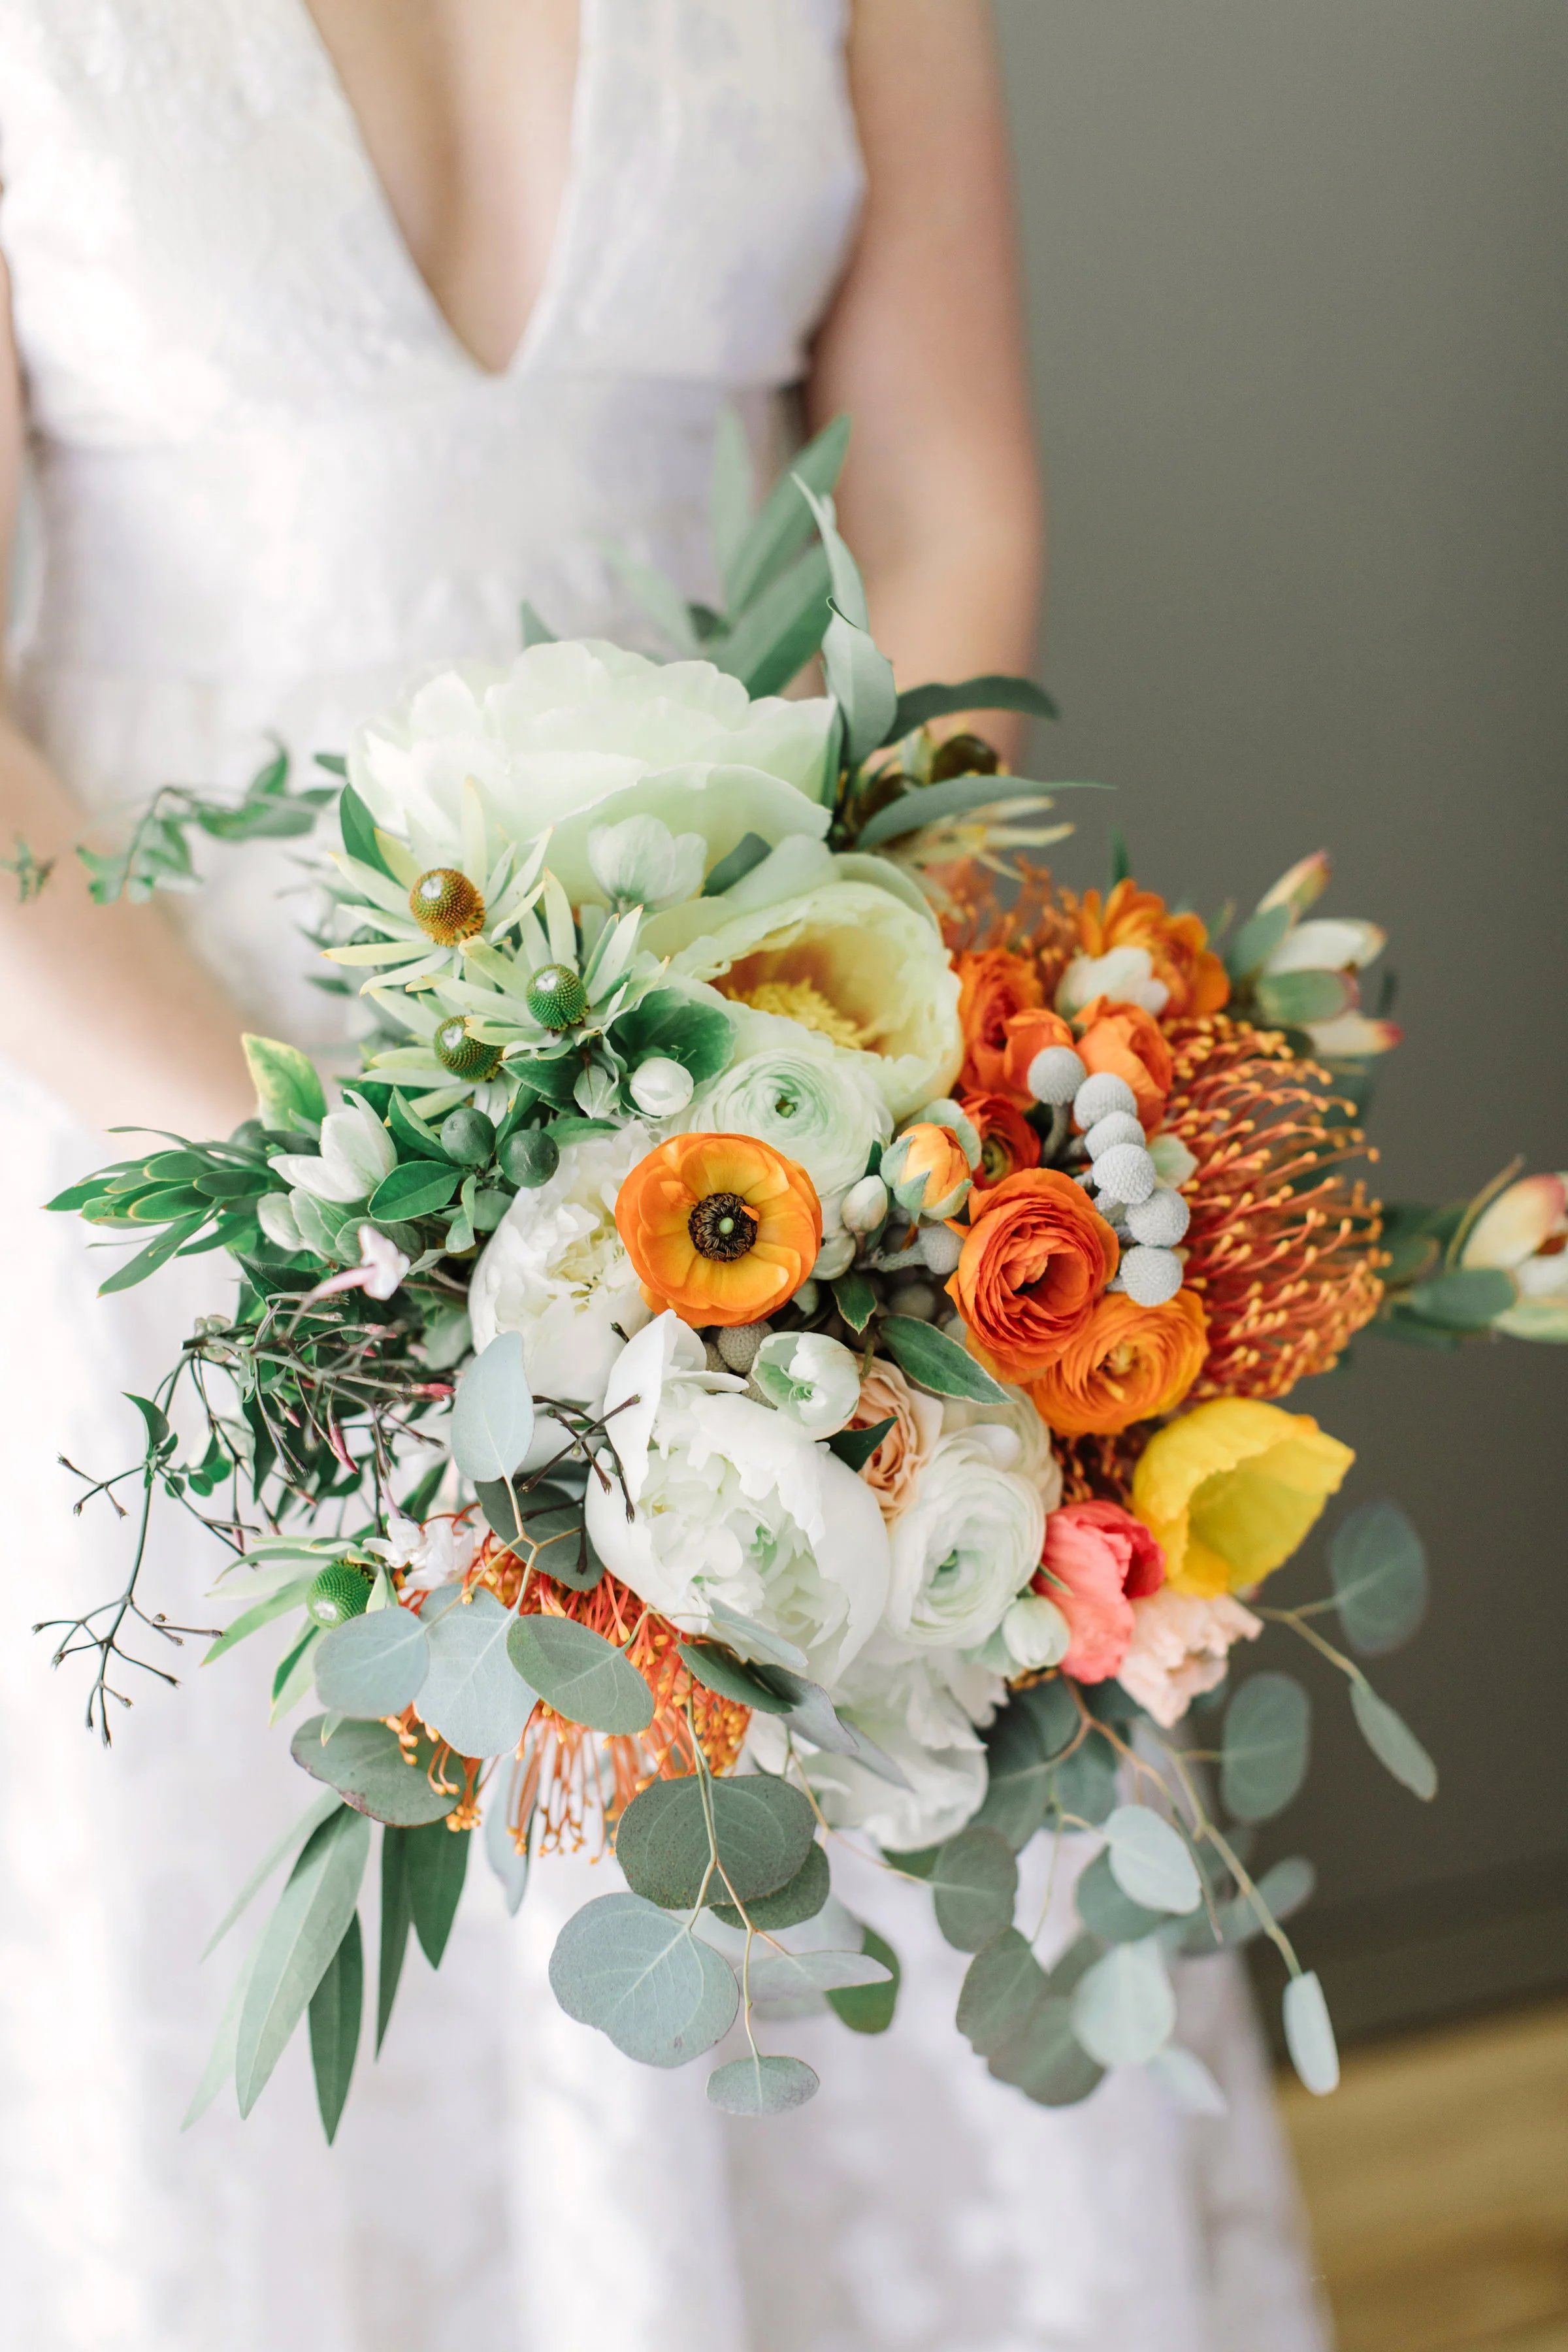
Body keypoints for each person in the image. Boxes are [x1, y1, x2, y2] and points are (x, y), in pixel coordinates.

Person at [0, 5, 1326, 2345]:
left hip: (769, 1104)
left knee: (836, 1826)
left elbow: (939, 495)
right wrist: (343, 1210)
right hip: (177, 1129)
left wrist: (813, 1059)